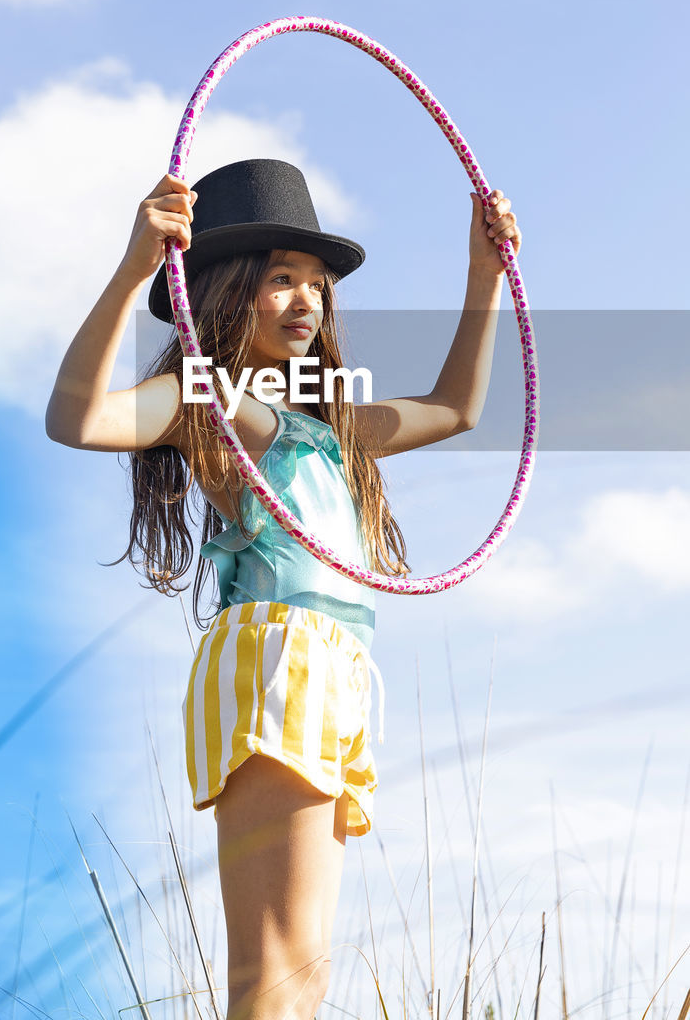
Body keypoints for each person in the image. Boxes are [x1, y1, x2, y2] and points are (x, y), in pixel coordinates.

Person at [45, 157, 521, 1020]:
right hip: (282, 658)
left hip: (329, 669)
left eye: (317, 284)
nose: (307, 300)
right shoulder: (209, 399)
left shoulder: (327, 426)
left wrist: (482, 276)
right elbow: (77, 420)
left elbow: (456, 407)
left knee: (301, 974)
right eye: (281, 280)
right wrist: (132, 272)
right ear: (228, 293)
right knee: (276, 973)